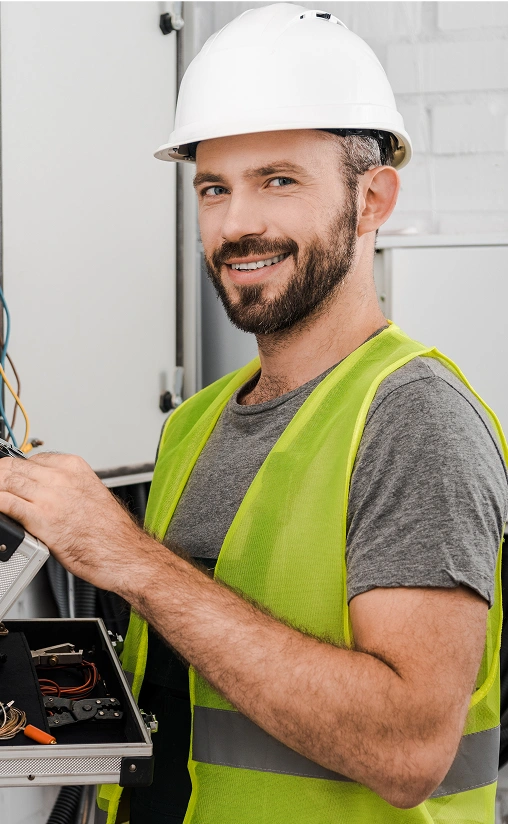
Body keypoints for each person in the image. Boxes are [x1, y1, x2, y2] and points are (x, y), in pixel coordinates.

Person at [0, 5, 506, 824]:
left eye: (279, 180)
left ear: (372, 198)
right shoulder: (192, 423)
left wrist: (125, 555)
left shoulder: (416, 420)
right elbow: (185, 688)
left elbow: (408, 752)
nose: (237, 225)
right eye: (213, 189)